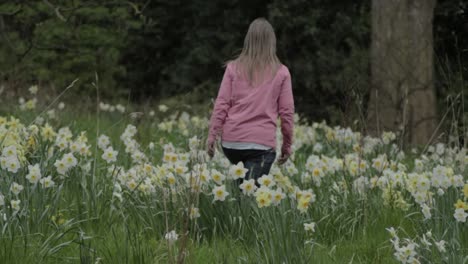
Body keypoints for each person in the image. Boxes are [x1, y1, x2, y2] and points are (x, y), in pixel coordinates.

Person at [206, 18, 294, 182]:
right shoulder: (282, 72)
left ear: (248, 40)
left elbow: (222, 104)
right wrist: (287, 145)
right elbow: (287, 113)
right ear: (272, 42)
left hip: (232, 144)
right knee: (252, 198)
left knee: (243, 191)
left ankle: (233, 205)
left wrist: (212, 136)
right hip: (261, 146)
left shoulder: (233, 67)